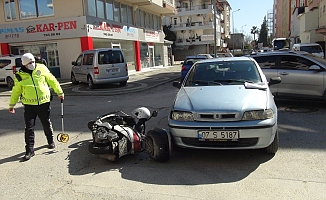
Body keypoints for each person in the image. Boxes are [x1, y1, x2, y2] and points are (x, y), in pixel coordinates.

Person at [8, 53, 64, 161]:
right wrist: (11, 105)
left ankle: (50, 141)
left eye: (33, 61)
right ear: (24, 64)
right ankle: (29, 150)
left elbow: (52, 80)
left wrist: (59, 92)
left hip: (44, 102)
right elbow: (16, 91)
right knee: (29, 128)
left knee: (46, 123)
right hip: (29, 105)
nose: (32, 64)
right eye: (29, 63)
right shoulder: (20, 75)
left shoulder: (42, 68)